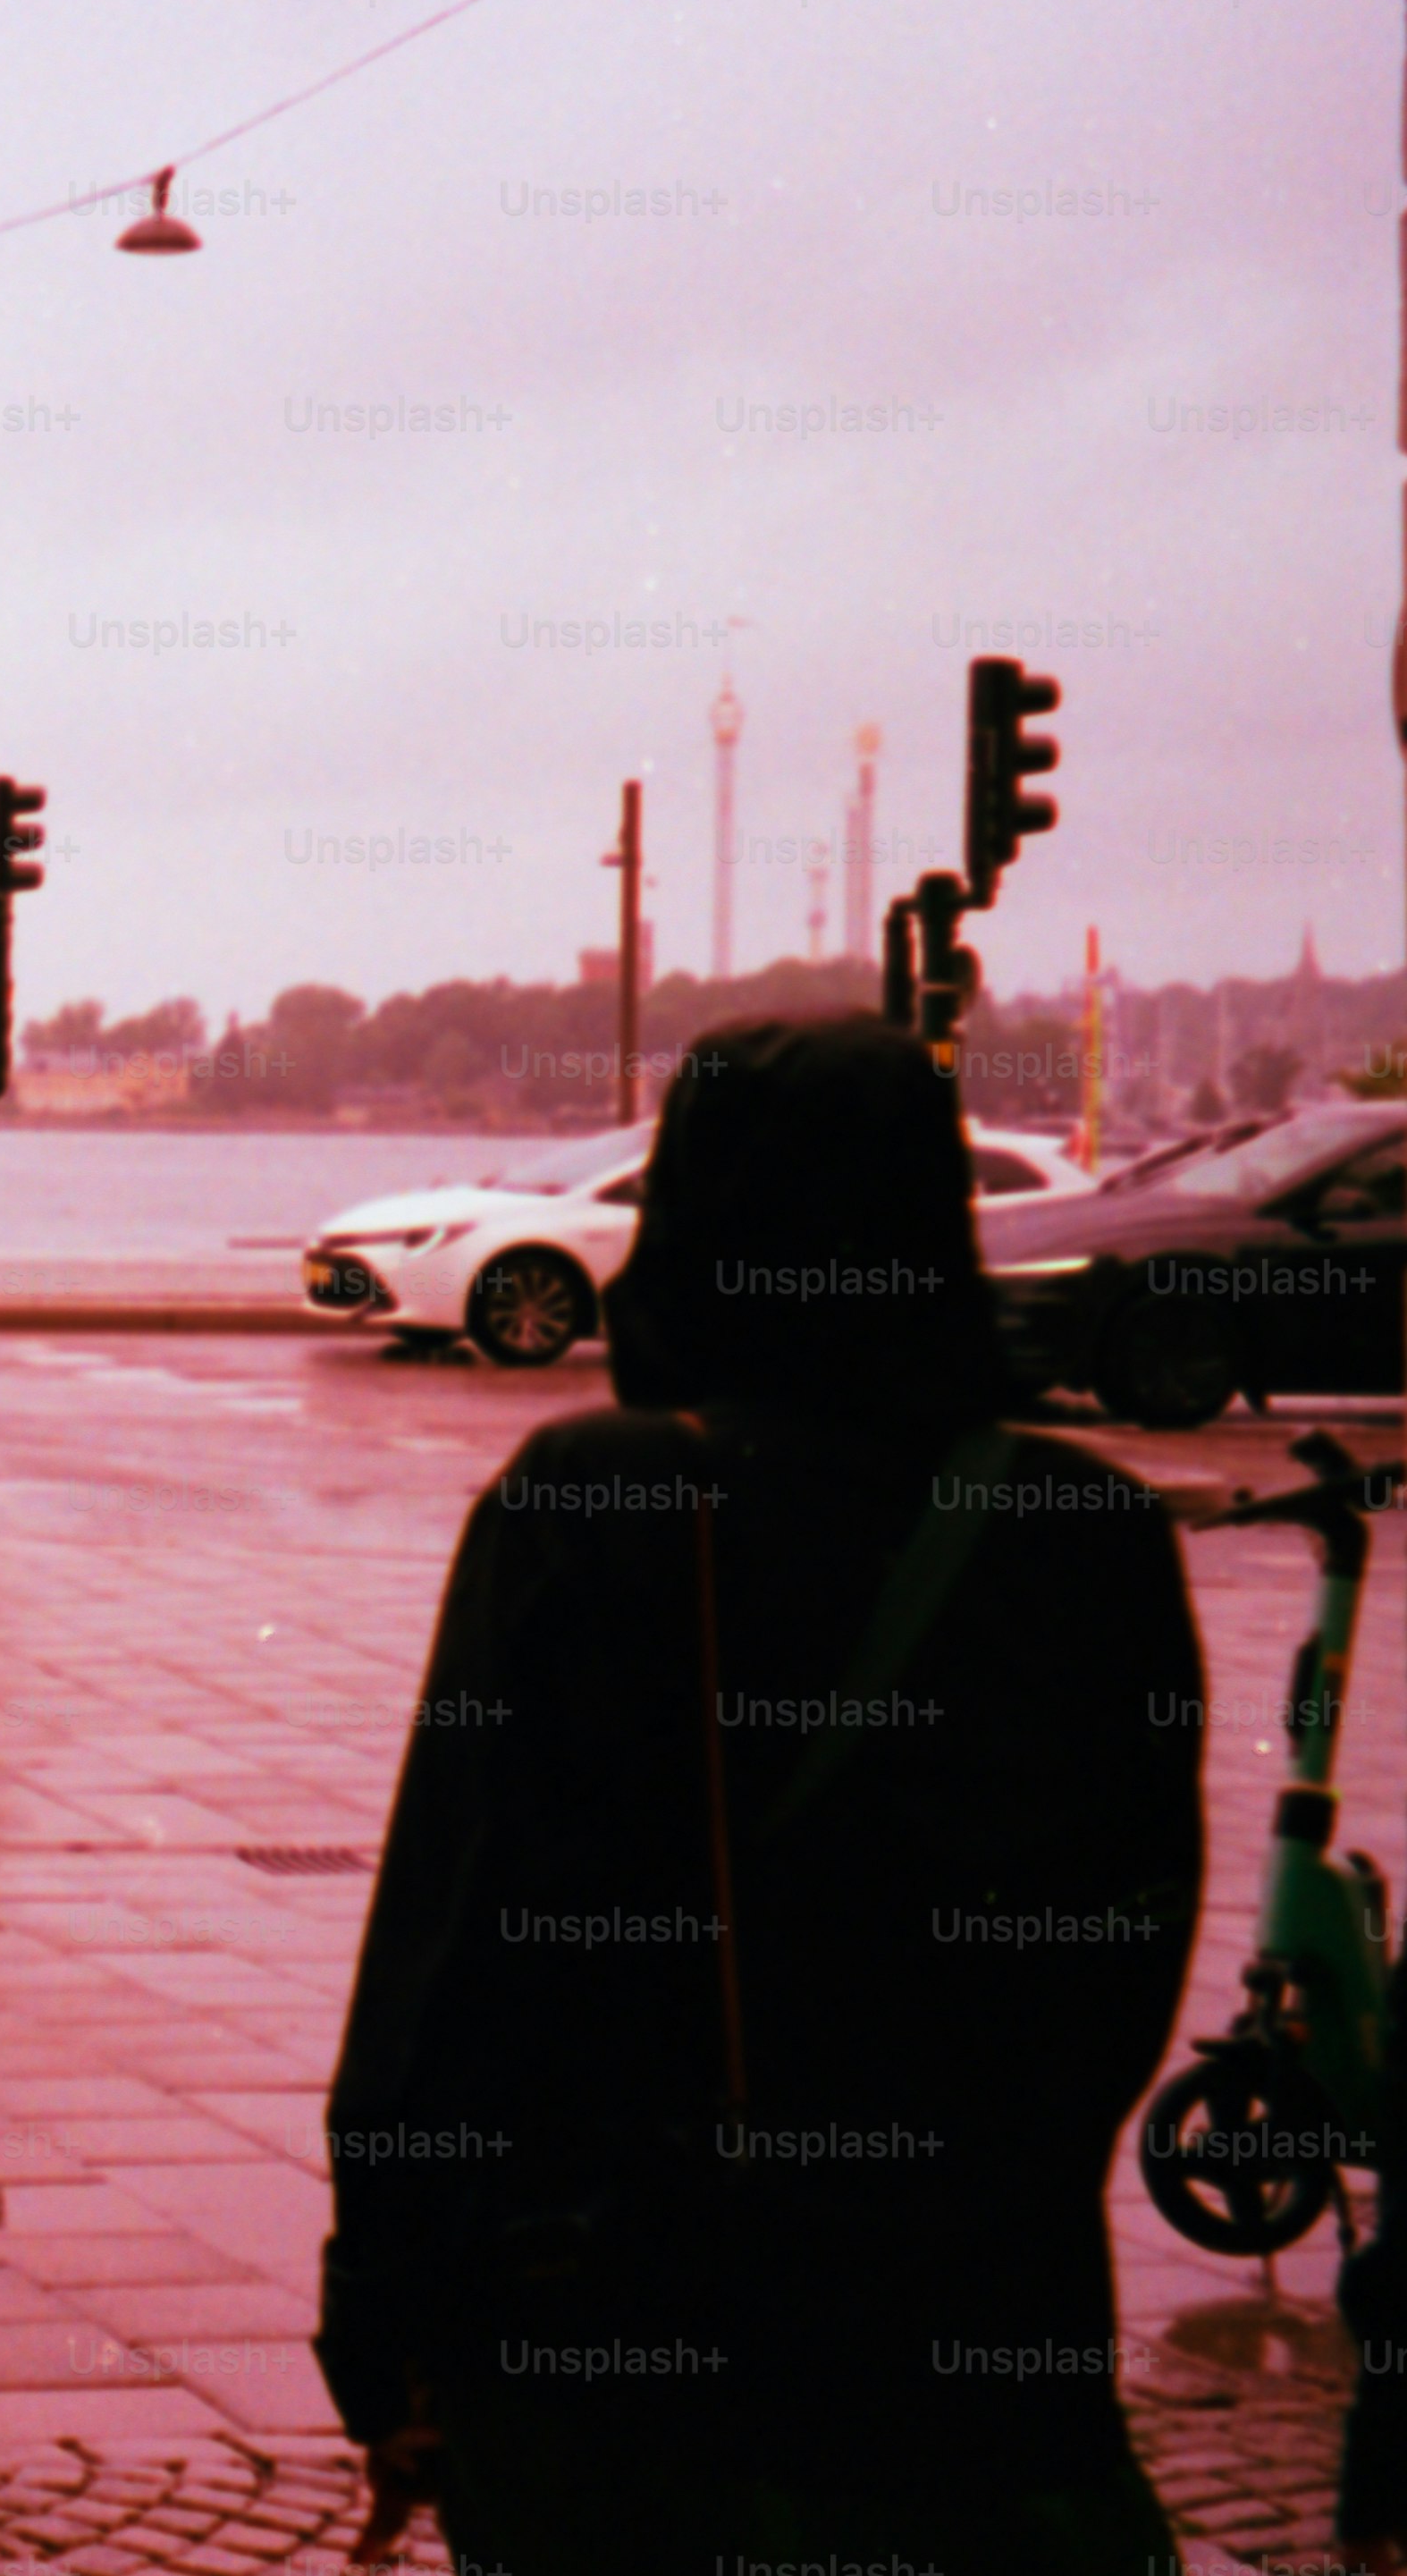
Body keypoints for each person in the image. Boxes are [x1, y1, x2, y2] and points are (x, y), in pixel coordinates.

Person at [315, 1014, 1201, 2573]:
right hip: (980, 2355)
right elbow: (1125, 1956)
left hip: (643, 2355)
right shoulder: (1094, 1533)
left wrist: (386, 2327)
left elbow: (451, 1956)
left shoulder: (600, 1502)